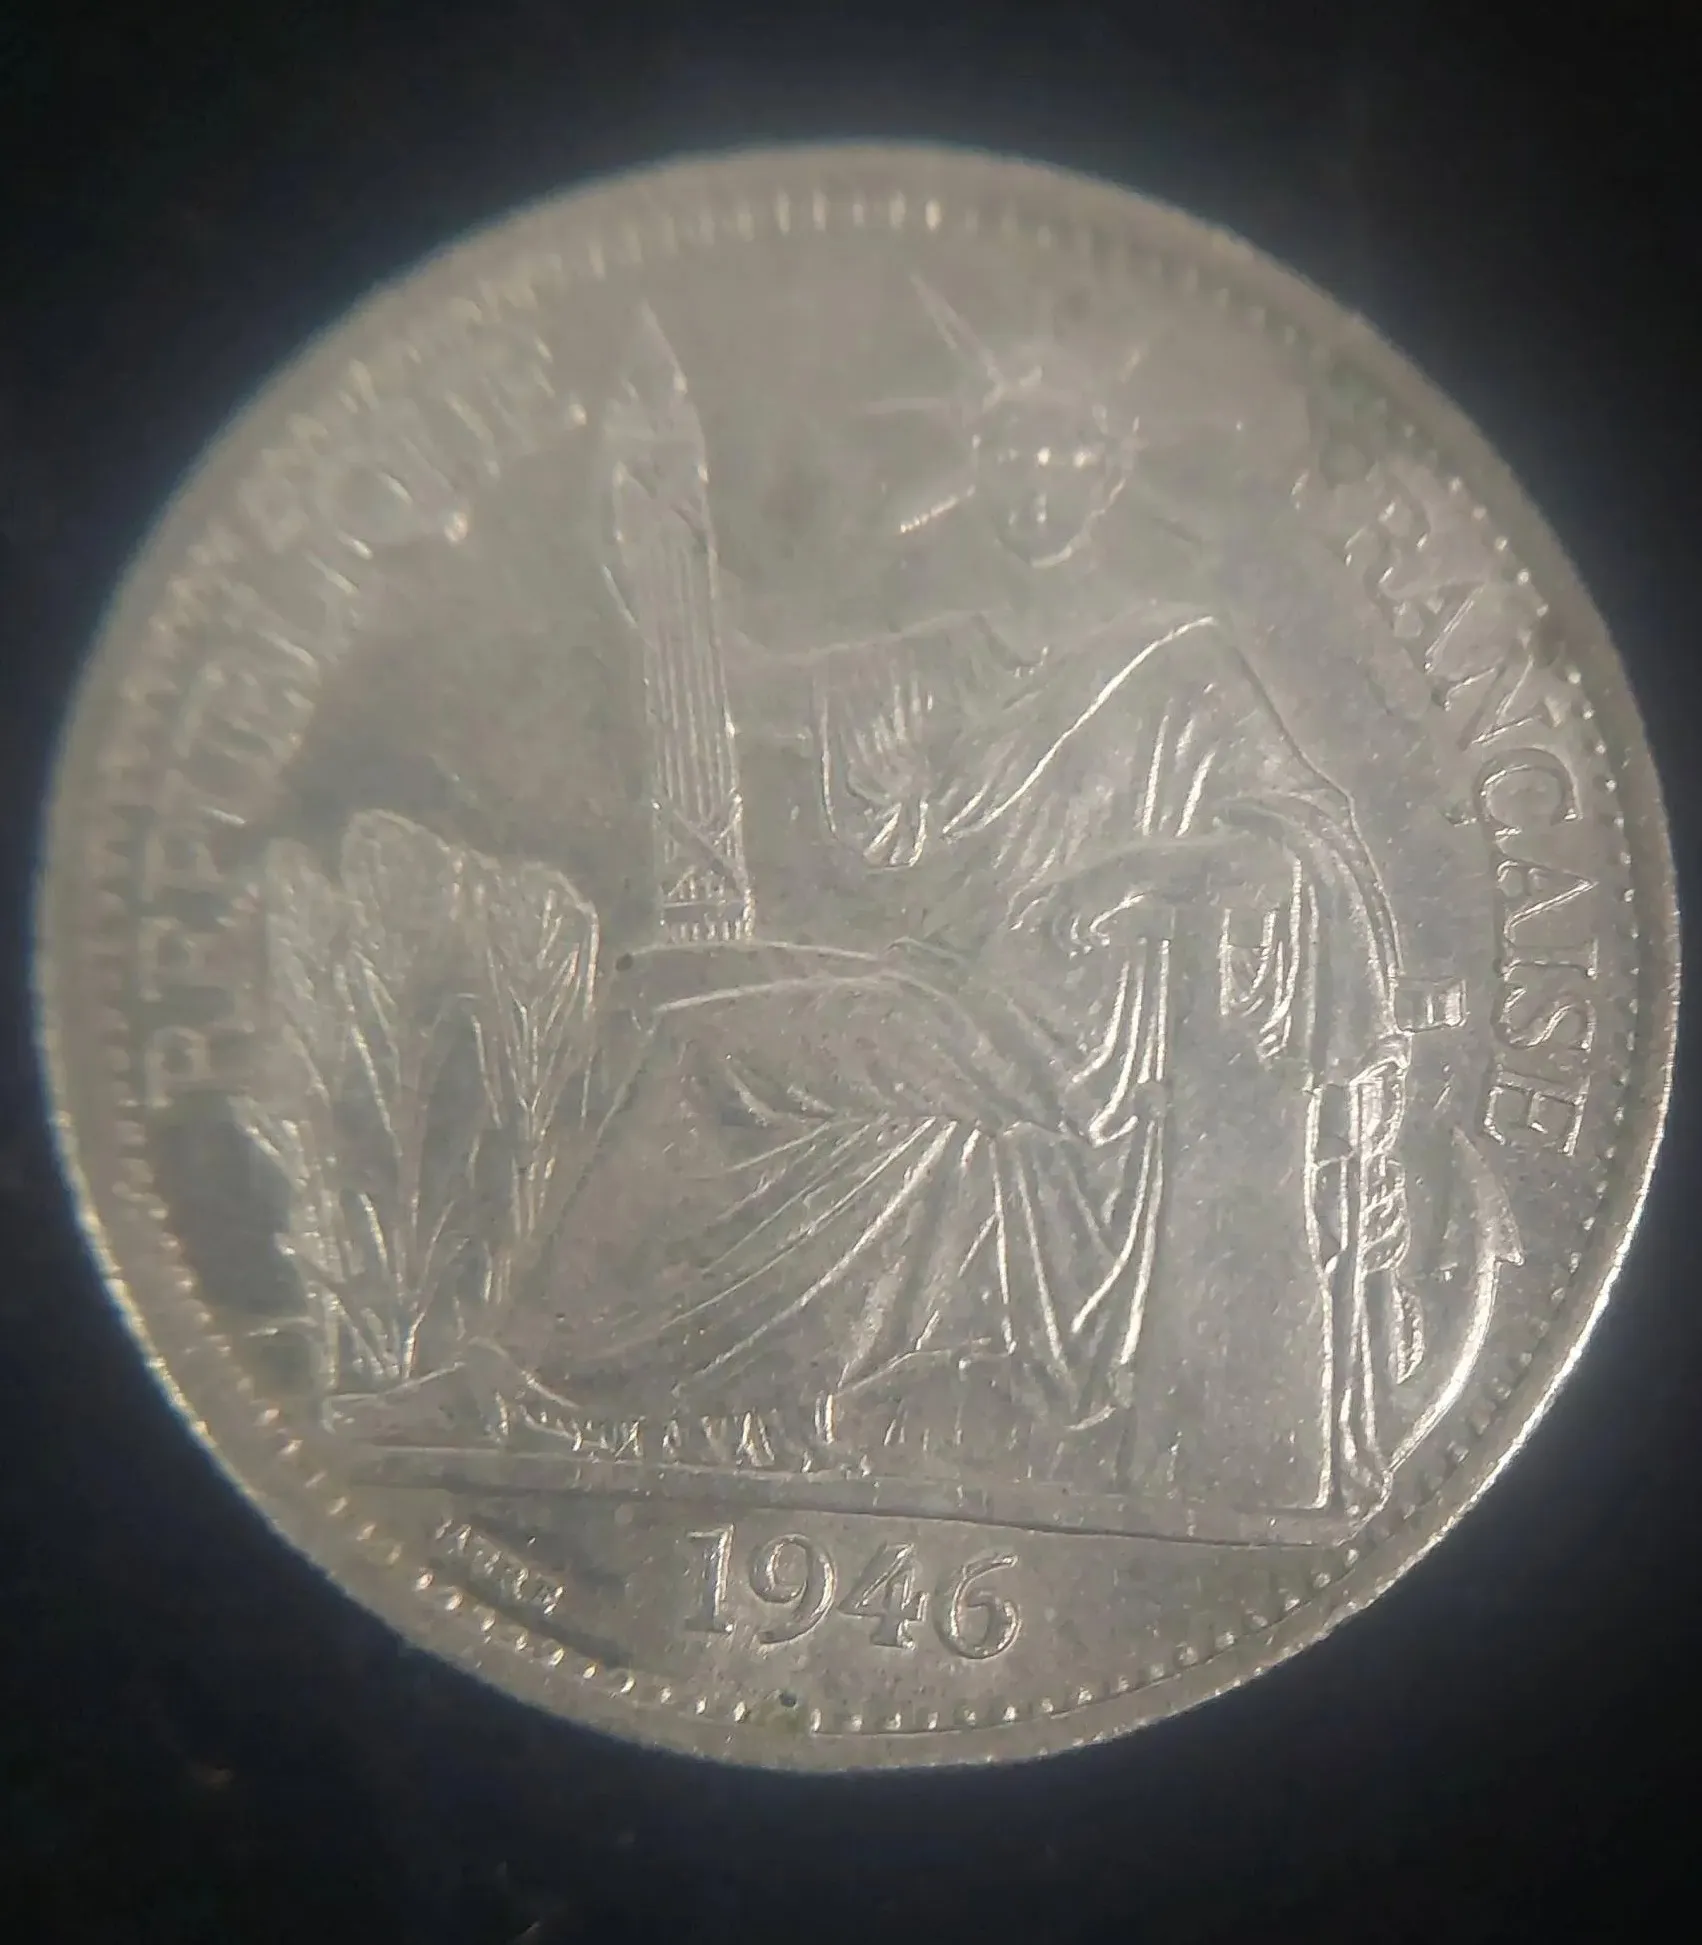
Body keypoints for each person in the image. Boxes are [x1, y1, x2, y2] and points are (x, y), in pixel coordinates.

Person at [552, 285, 1418, 1535]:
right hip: (955, 995)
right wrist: (654, 557)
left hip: (1080, 1043)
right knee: (693, 999)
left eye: (1067, 451)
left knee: (707, 1045)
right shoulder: (939, 656)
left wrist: (1143, 869)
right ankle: (692, 1389)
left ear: (1112, 470)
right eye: (1012, 447)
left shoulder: (1181, 662)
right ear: (974, 463)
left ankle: (566, 1379)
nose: (1037, 476)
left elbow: (1305, 833)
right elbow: (747, 689)